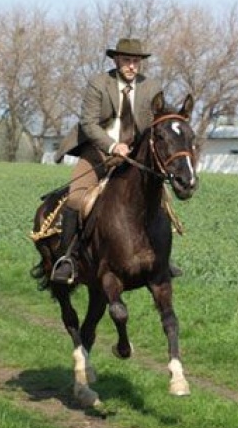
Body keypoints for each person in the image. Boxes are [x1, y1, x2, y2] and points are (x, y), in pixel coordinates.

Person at [50, 37, 181, 284]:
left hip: (133, 157)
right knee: (76, 199)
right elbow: (88, 123)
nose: (132, 66)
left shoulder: (151, 87)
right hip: (98, 152)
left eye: (136, 61)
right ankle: (67, 258)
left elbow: (158, 122)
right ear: (116, 60)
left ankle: (163, 258)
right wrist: (112, 146)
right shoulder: (99, 83)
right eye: (127, 60)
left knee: (160, 200)